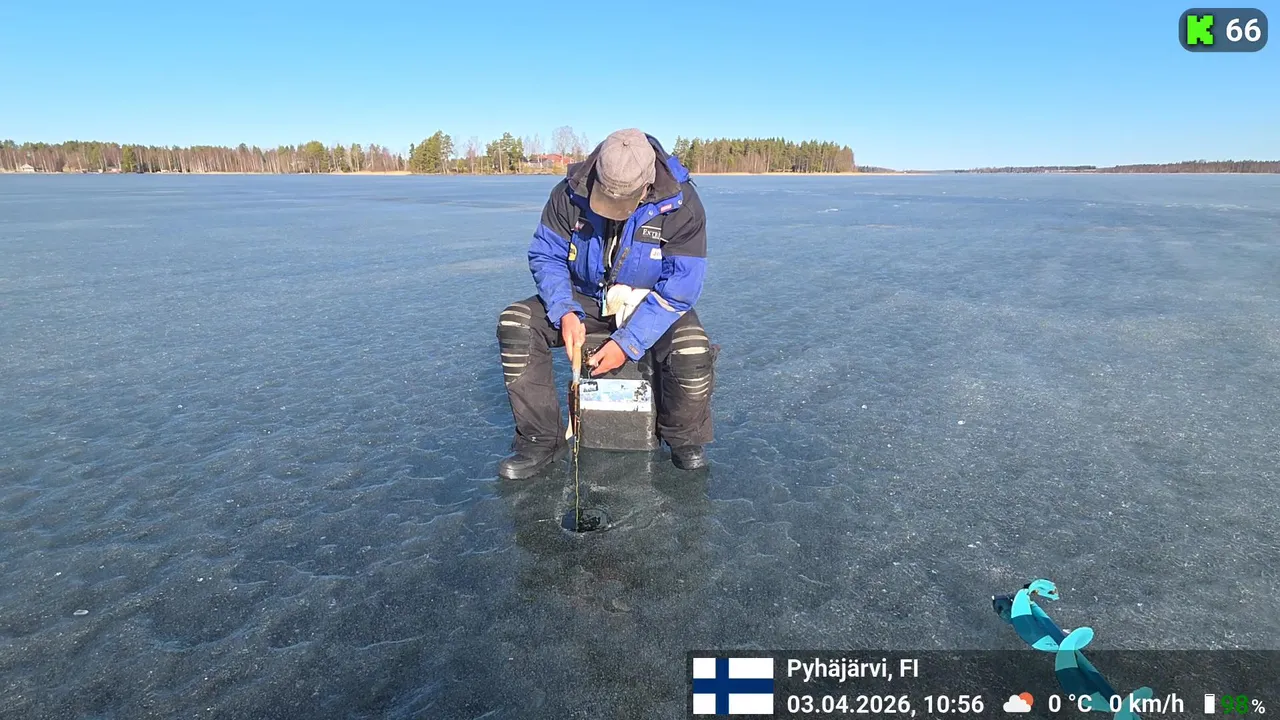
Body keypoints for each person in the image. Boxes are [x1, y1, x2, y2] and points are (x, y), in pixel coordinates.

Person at [495, 128, 716, 479]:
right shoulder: (569, 192)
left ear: (646, 186)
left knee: (691, 346)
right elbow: (546, 255)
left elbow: (680, 287)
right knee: (517, 324)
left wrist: (628, 343)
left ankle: (683, 436)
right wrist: (564, 310)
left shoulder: (682, 203)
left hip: (649, 299)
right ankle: (540, 439)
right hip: (584, 295)